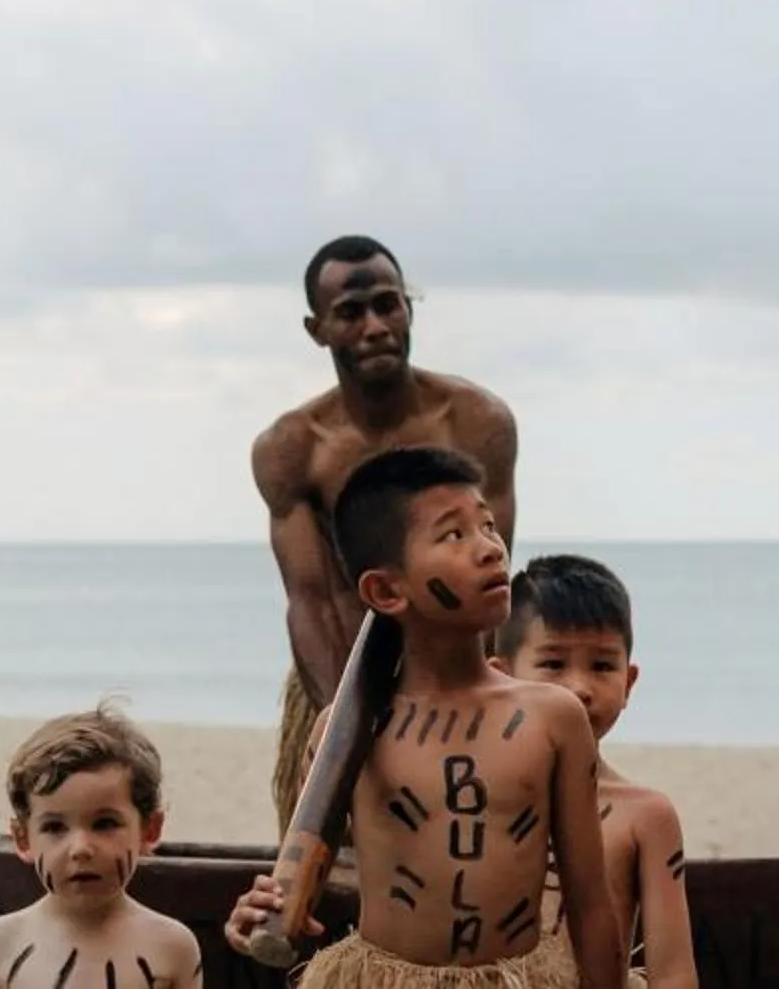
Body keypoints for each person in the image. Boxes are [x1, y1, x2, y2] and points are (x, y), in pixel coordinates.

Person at [223, 445, 622, 989]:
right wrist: (256, 913)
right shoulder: (343, 734)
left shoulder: (554, 719)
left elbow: (592, 904)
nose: (489, 549)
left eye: (488, 526)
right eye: (453, 535)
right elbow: (296, 885)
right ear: (386, 590)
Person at [255, 235, 525, 825]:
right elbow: (313, 601)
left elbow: (488, 580)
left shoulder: (476, 422)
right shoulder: (294, 449)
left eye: (388, 304)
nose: (375, 326)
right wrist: (345, 730)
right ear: (317, 329)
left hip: (458, 677)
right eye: (350, 313)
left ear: (408, 307)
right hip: (342, 680)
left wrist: (468, 708)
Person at [495, 553, 698, 988]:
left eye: (603, 666)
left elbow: (674, 971)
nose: (579, 689)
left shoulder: (646, 816)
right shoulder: (474, 797)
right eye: (553, 664)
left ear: (629, 683)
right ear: (501, 680)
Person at [0, 702, 202, 989]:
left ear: (149, 829)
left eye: (105, 824)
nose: (80, 849)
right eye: (54, 827)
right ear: (23, 839)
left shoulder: (173, 947)